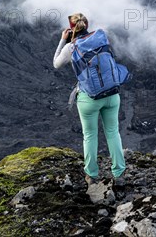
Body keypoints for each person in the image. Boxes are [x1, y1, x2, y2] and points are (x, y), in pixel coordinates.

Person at [53, 12, 126, 185]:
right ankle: (119, 173)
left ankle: (92, 175)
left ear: (71, 29)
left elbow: (56, 64)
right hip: (112, 94)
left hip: (89, 98)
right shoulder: (101, 36)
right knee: (113, 132)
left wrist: (63, 39)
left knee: (90, 135)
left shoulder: (72, 47)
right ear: (87, 24)